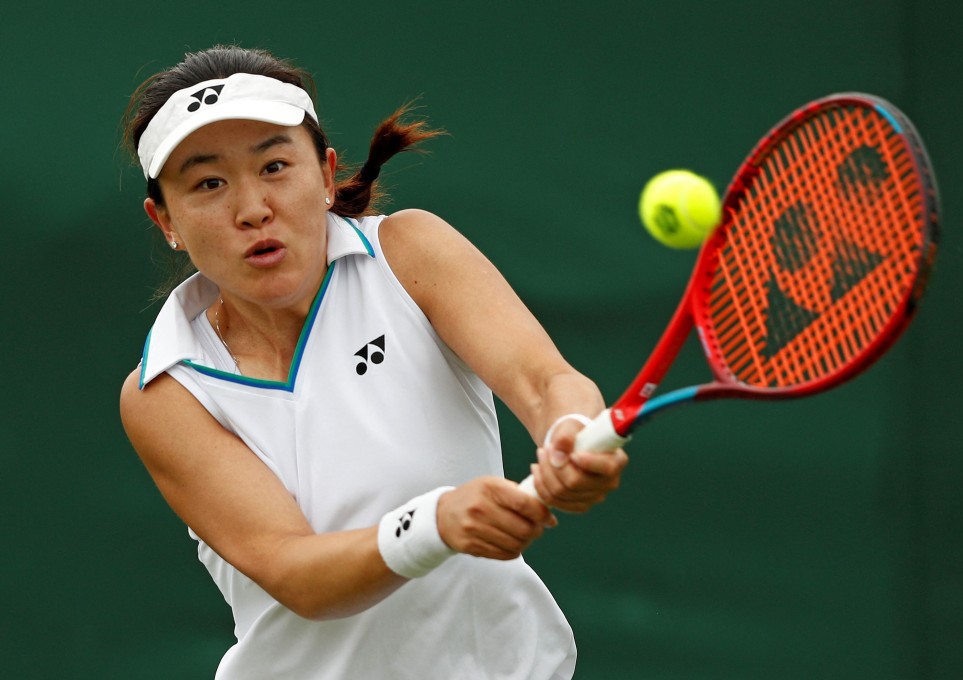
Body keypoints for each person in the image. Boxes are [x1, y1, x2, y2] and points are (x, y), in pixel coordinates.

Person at [119, 44, 628, 679]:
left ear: (326, 175)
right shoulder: (165, 391)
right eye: (209, 184)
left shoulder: (409, 253)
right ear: (165, 219)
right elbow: (294, 571)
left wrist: (571, 433)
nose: (252, 209)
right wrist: (435, 523)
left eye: (275, 166)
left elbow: (546, 381)